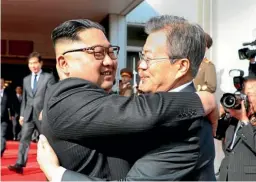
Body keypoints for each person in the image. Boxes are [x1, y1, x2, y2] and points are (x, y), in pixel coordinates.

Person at [38, 17, 218, 181]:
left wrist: (58, 175)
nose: (140, 66)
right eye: (98, 53)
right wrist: (202, 100)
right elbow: (137, 111)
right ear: (64, 63)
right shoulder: (67, 98)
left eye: (111, 52)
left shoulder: (186, 125)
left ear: (181, 67)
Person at [8, 52, 56, 174]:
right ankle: (20, 163)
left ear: (41, 63)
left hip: (41, 114)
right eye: (30, 63)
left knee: (46, 140)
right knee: (24, 138)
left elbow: (51, 95)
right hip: (28, 114)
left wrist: (45, 110)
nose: (33, 65)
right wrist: (22, 114)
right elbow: (25, 98)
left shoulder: (48, 77)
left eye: (35, 62)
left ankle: (53, 164)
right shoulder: (26, 79)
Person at [219, 75, 256, 181]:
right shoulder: (234, 118)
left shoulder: (243, 118)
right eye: (242, 94)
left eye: (249, 94)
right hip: (226, 176)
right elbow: (216, 134)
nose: (244, 98)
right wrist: (222, 115)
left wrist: (244, 120)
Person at [1, 78, 14, 157]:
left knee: (2, 135)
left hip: (4, 117)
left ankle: (1, 150)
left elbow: (10, 105)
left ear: (3, 84)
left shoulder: (7, 94)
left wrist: (11, 115)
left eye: (1, 83)